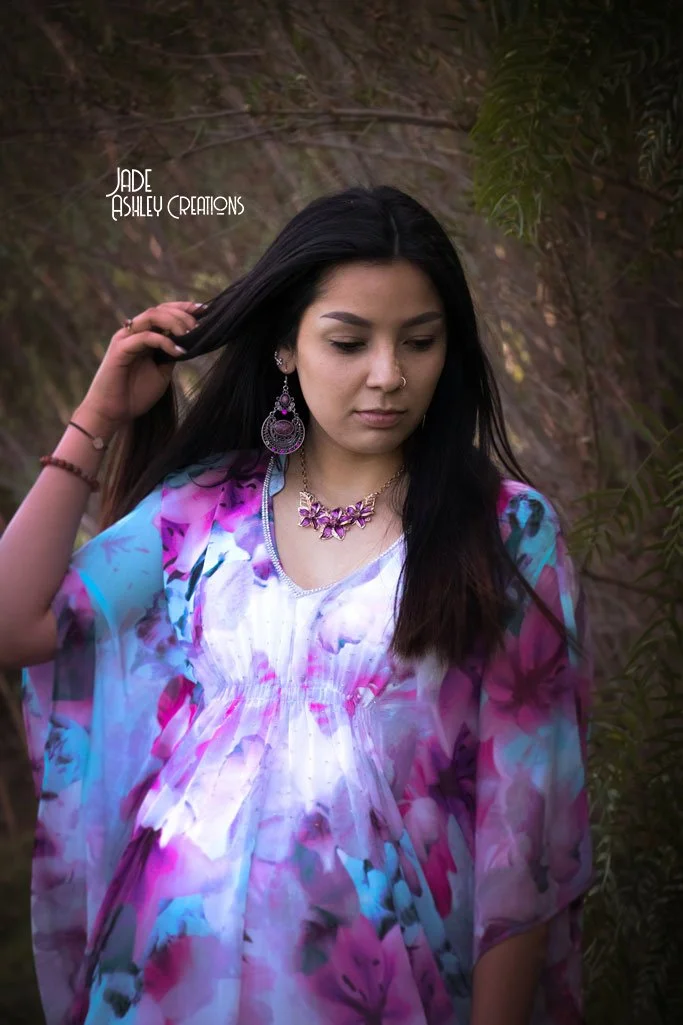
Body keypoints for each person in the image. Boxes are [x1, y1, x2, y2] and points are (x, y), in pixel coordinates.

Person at [0, 184, 595, 1025]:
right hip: (167, 986)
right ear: (285, 346)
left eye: (418, 342)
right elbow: (13, 623)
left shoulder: (504, 532)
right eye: (348, 341)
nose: (386, 375)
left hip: (379, 990)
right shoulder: (203, 511)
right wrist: (96, 416)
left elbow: (521, 841)